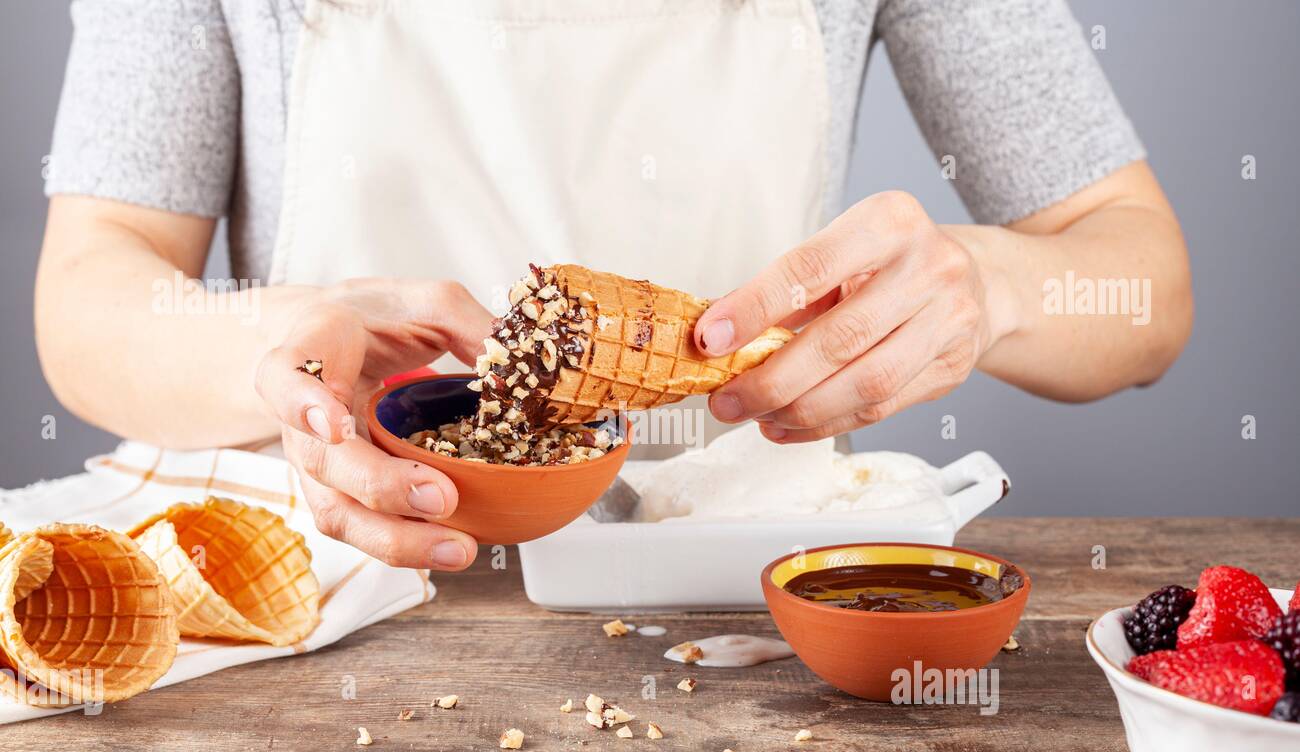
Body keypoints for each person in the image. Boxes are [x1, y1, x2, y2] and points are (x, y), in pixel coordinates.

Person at [34, 0, 1192, 572]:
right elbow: (90, 283)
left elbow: (1141, 284)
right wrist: (261, 344)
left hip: (741, 598)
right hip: (324, 586)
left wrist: (986, 280)